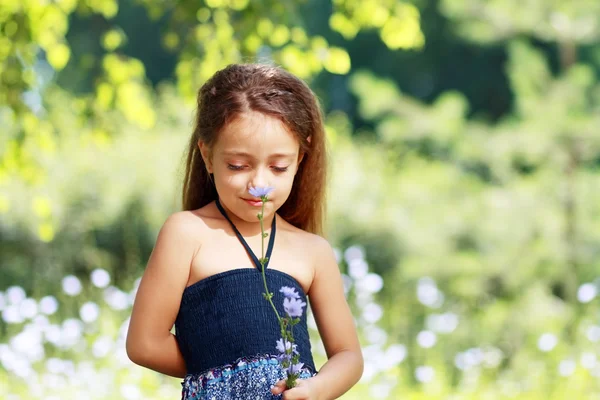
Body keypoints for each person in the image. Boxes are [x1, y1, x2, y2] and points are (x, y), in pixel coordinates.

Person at [126, 63, 363, 399]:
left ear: (301, 159)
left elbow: (348, 356)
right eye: (238, 166)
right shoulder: (187, 233)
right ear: (207, 156)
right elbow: (144, 343)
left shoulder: (313, 251)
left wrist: (316, 388)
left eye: (279, 167)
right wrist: (226, 374)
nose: (259, 184)